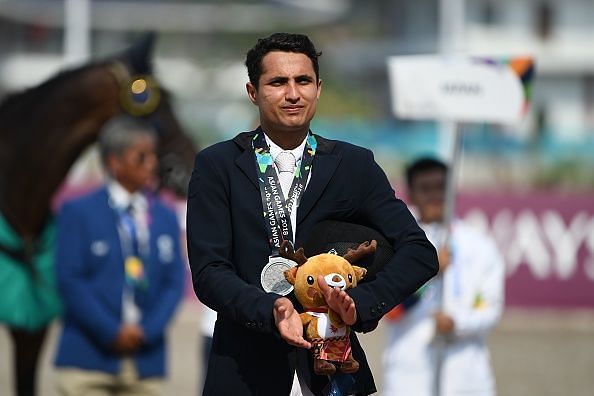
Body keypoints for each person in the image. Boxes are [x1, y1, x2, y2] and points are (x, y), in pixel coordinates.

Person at [186, 32, 438, 395]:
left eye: (303, 81)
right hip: (243, 372)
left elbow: (419, 252)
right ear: (253, 92)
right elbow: (209, 271)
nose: (292, 94)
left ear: (318, 88)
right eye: (278, 82)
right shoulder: (217, 165)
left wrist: (359, 305)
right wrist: (272, 309)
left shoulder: (354, 165)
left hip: (335, 370)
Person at [53, 115, 185, 395]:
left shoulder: (164, 215)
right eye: (141, 156)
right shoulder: (78, 212)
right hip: (87, 363)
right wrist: (111, 330)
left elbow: (174, 281)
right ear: (114, 162)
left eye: (153, 155)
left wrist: (146, 330)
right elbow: (70, 280)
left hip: (145, 363)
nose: (151, 164)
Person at [382, 157, 505, 396]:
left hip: (466, 375)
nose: (435, 196)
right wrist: (429, 272)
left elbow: (492, 308)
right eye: (425, 189)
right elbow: (390, 311)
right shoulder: (395, 244)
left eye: (441, 188)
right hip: (410, 375)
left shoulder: (479, 245)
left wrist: (459, 323)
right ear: (412, 194)